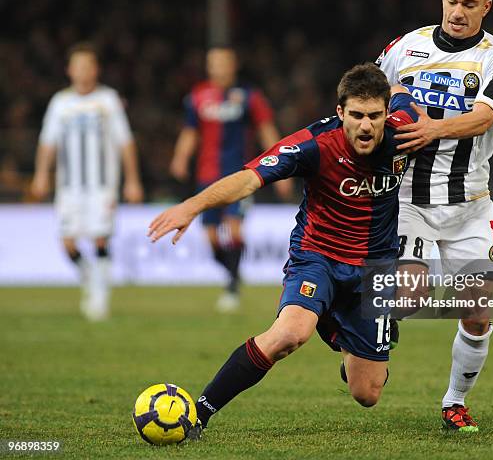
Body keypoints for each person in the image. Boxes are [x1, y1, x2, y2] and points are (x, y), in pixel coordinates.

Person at [148, 63, 417, 435]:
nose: (366, 126)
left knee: (367, 392)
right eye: (356, 115)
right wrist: (191, 206)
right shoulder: (313, 145)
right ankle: (199, 413)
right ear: (340, 113)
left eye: (375, 115)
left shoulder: (408, 129)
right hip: (317, 256)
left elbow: (407, 94)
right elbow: (248, 179)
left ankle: (339, 329)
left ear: (388, 113)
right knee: (290, 333)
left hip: (374, 268)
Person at [375, 0, 493, 432]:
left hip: (470, 202)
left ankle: (454, 402)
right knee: (411, 295)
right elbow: (370, 91)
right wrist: (394, 96)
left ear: (486, 7)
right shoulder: (405, 47)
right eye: (452, 1)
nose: (458, 12)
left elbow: (483, 118)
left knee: (477, 311)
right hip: (410, 200)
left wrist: (432, 127)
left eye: (470, 5)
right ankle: (366, 337)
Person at [170, 45, 292, 312]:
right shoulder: (198, 96)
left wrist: (283, 169)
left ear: (233, 65)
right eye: (214, 63)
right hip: (207, 176)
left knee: (234, 228)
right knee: (211, 237)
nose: (219, 68)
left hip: (242, 176)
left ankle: (232, 288)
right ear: (209, 67)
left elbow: (265, 129)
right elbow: (191, 131)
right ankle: (233, 273)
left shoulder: (249, 96)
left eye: (224, 63)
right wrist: (180, 157)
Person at [31, 42, 143, 321]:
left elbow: (125, 142)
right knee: (68, 243)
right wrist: (41, 175)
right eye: (77, 66)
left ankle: (100, 297)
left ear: (96, 70)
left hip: (101, 186)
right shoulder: (60, 102)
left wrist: (132, 180)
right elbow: (48, 143)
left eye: (88, 66)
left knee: (100, 238)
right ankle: (92, 279)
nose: (83, 72)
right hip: (69, 187)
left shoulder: (108, 100)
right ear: (69, 70)